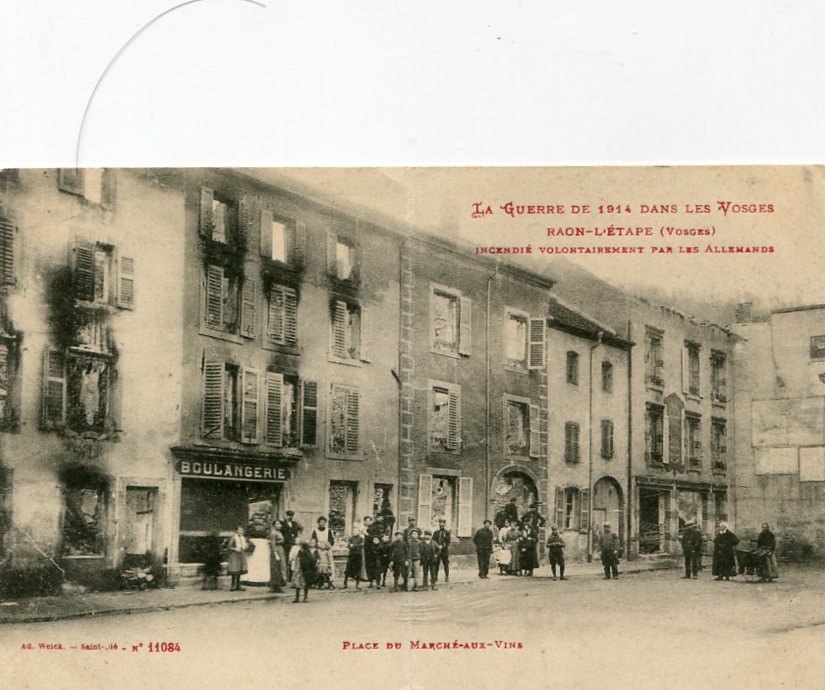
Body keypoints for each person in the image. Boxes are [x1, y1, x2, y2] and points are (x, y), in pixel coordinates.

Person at [226, 525, 250, 591]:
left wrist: (246, 546)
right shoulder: (233, 537)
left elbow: (246, 545)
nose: (241, 532)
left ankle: (238, 585)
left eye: (242, 530)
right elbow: (229, 547)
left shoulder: (243, 538)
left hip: (241, 554)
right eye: (239, 530)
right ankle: (233, 585)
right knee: (234, 570)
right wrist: (235, 549)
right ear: (236, 531)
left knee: (240, 570)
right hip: (235, 555)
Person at [343, 524, 367, 589]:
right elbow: (348, 545)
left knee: (358, 570)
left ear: (358, 532)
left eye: (356, 531)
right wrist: (353, 546)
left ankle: (358, 584)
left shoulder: (361, 538)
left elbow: (362, 545)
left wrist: (354, 545)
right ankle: (345, 583)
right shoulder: (351, 538)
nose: (355, 532)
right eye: (354, 531)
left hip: (358, 555)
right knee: (347, 569)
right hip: (351, 555)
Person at [281, 511, 303, 578]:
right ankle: (285, 576)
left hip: (293, 544)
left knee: (294, 560)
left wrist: (298, 537)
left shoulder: (295, 523)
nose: (290, 517)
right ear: (286, 515)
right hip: (285, 544)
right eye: (288, 515)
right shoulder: (282, 523)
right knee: (286, 559)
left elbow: (301, 528)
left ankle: (292, 576)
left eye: (291, 516)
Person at [268, 520, 288, 593]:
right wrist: (276, 554)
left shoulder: (279, 532)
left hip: (280, 549)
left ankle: (278, 585)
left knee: (280, 567)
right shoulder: (273, 533)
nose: (279, 525)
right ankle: (275, 586)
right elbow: (272, 544)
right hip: (276, 550)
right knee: (276, 568)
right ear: (274, 525)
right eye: (277, 524)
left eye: (279, 524)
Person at [432, 518, 451, 583]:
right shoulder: (436, 532)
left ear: (445, 524)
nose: (441, 524)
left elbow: (448, 541)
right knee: (436, 564)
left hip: (444, 551)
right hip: (437, 551)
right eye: (440, 523)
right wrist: (437, 546)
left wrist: (442, 546)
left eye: (443, 523)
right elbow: (433, 540)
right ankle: (435, 577)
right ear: (439, 524)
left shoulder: (447, 532)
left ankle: (447, 577)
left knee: (446, 564)